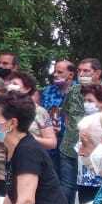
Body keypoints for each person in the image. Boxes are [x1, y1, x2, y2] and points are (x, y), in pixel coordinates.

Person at [72, 82, 102, 203]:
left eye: (90, 101)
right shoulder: (85, 121)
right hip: (85, 179)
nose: (86, 104)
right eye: (85, 100)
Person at [41, 59, 78, 190]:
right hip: (51, 140)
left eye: (60, 72)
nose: (55, 74)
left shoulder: (80, 91)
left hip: (71, 142)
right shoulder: (47, 91)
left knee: (68, 182)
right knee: (52, 180)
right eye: (55, 71)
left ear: (71, 75)